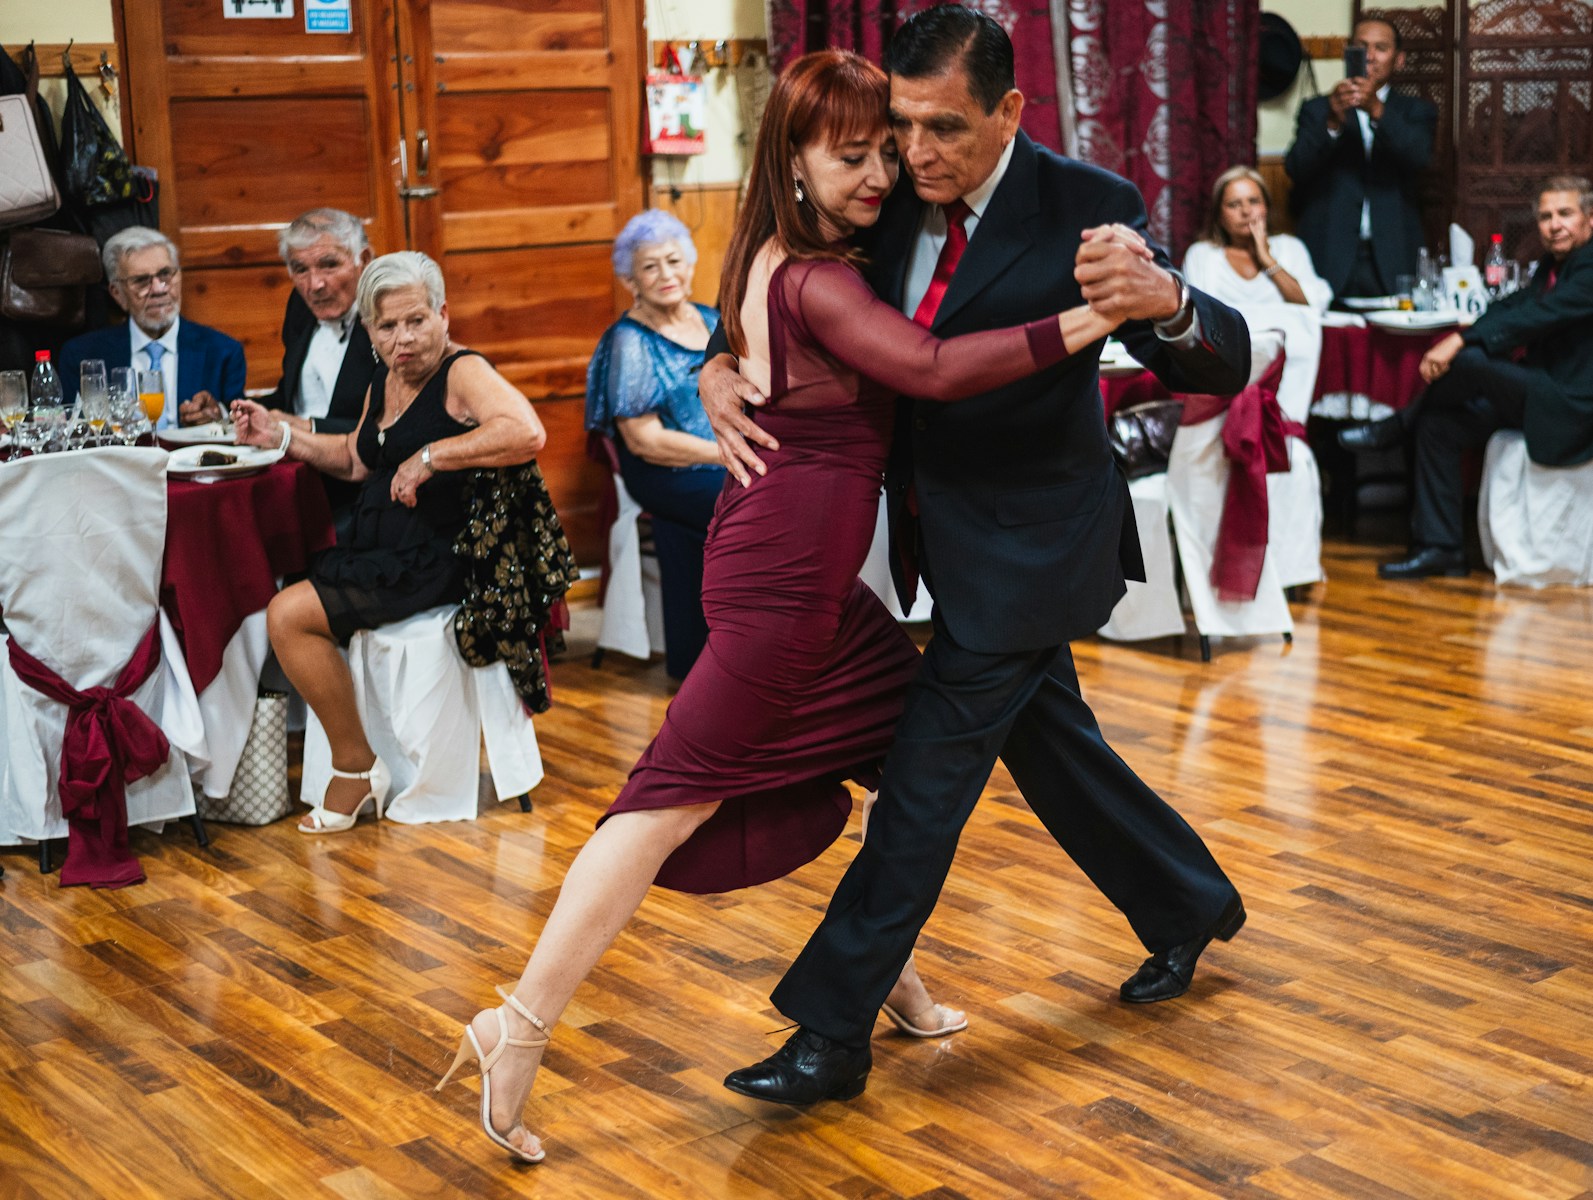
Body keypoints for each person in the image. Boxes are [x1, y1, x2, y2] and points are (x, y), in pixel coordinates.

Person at [431, 48, 1135, 1166]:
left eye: (886, 153)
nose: (881, 175)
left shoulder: (774, 251)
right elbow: (933, 369)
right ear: (793, 162)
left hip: (805, 583)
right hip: (783, 594)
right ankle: (515, 1026)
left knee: (912, 774)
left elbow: (755, 352)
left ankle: (882, 985)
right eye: (851, 157)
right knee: (662, 804)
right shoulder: (816, 279)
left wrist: (716, 368)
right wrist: (1092, 320)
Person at [708, 6, 1252, 1107]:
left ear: (1009, 110)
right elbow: (803, 309)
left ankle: (831, 1033)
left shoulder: (1089, 205)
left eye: (944, 128)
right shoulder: (888, 195)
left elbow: (1219, 365)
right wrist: (716, 370)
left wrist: (1173, 304)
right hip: (935, 537)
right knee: (1055, 749)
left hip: (1036, 543)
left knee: (924, 784)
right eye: (902, 126)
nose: (915, 153)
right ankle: (1188, 904)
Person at [229, 251, 547, 831]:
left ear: (443, 315)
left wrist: (431, 457)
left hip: (443, 555)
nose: (403, 339)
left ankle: (355, 767)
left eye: (416, 321)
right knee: (286, 602)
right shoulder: (386, 375)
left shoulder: (461, 372)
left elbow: (526, 431)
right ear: (371, 332)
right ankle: (357, 761)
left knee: (288, 615)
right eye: (386, 326)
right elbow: (356, 459)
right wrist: (280, 437)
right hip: (385, 551)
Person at [1341, 176, 1593, 580]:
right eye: (1546, 217)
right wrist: (1466, 336)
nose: (1554, 225)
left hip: (1573, 404)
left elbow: (1539, 316)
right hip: (1542, 390)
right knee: (1437, 426)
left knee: (1472, 360)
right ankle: (1441, 549)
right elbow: (1511, 306)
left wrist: (1459, 340)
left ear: (1589, 219)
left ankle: (1398, 424)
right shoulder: (1553, 267)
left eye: (1565, 214)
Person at [586, 210, 726, 679]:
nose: (666, 274)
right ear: (631, 280)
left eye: (673, 260)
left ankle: (758, 650)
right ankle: (719, 662)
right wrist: (726, 455)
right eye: (650, 266)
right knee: (746, 503)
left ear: (690, 264)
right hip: (664, 470)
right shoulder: (630, 340)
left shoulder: (713, 319)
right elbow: (645, 441)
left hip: (723, 459)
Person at [1183, 165, 1332, 589]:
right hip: (1220, 395)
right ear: (1219, 213)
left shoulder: (1290, 249)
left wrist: (1267, 259)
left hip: (1283, 400)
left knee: (1294, 460)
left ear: (1267, 207)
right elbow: (1199, 318)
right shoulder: (1203, 256)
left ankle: (1291, 571)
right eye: (1234, 204)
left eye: (1254, 201)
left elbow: (1309, 308)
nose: (1246, 211)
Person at [1283, 17, 1436, 301]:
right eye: (1361, 48)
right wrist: (1332, 123)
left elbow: (1419, 157)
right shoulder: (1318, 109)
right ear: (1348, 54)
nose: (1370, 56)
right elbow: (1296, 168)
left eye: (1381, 48)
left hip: (1393, 254)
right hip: (1328, 251)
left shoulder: (1416, 111)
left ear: (1399, 60)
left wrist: (1377, 110)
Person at [259, 208, 378, 521]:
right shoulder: (300, 307)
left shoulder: (389, 321)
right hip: (294, 478)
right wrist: (226, 412)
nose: (315, 285)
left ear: (363, 259)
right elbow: (293, 399)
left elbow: (387, 427)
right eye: (301, 269)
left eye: (329, 264)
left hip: (360, 493)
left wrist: (304, 426)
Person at [59, 226, 244, 426]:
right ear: (118, 294)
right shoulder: (82, 356)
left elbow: (239, 420)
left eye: (165, 274)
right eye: (141, 281)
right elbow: (75, 430)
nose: (158, 289)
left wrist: (219, 416)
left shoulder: (223, 352)